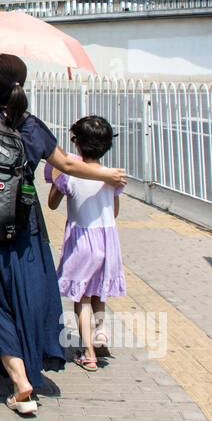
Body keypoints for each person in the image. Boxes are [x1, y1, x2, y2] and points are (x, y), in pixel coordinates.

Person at [0, 54, 127, 415]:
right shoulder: (32, 126)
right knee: (27, 295)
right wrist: (107, 177)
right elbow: (66, 164)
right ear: (22, 85)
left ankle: (19, 381)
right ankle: (33, 357)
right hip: (24, 226)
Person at [47, 116, 126, 372]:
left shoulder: (70, 177)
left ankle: (88, 352)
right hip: (108, 239)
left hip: (82, 241)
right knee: (98, 292)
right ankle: (101, 332)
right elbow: (113, 212)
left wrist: (58, 177)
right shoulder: (111, 178)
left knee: (80, 298)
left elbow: (52, 203)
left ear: (77, 145)